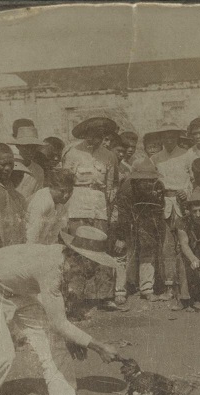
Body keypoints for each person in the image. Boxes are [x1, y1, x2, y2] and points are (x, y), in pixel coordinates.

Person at [0, 226, 123, 395]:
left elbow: (58, 320)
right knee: (1, 355)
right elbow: (60, 322)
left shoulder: (63, 261)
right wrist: (99, 347)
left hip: (17, 289)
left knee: (53, 339)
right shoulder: (51, 268)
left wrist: (73, 337)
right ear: (77, 257)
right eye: (91, 264)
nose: (92, 270)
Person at [62, 116, 122, 315]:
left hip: (99, 204)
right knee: (77, 248)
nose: (93, 139)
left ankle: (104, 296)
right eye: (90, 134)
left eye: (98, 135)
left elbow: (112, 185)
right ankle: (76, 294)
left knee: (100, 248)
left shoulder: (109, 156)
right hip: (77, 202)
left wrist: (112, 211)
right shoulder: (73, 153)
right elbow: (65, 181)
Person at [112, 158, 167, 303]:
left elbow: (158, 210)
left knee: (147, 252)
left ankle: (147, 289)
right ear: (136, 179)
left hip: (147, 221)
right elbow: (122, 215)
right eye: (144, 180)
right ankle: (120, 291)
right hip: (128, 222)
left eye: (151, 180)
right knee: (123, 255)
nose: (148, 183)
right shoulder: (126, 189)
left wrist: (152, 231)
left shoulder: (158, 187)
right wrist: (121, 237)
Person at [0, 144, 28, 249]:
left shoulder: (9, 185)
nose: (8, 168)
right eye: (2, 164)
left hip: (15, 245)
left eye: (11, 164)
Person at [26, 168, 73, 245]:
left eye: (70, 191)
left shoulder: (60, 204)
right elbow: (32, 236)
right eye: (62, 191)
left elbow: (54, 234)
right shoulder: (43, 201)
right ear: (51, 187)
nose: (66, 195)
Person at [10, 123, 48, 199]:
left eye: (33, 147)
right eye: (26, 147)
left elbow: (37, 196)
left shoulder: (38, 170)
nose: (30, 151)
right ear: (18, 146)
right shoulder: (10, 166)